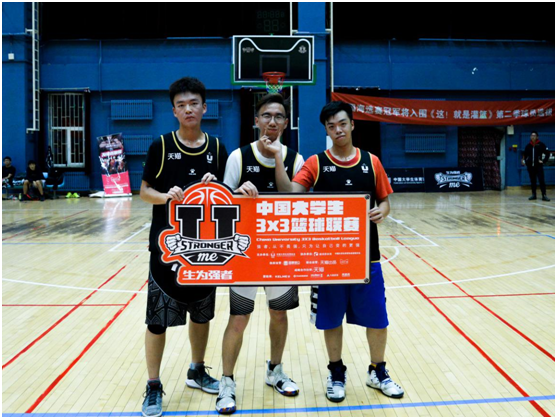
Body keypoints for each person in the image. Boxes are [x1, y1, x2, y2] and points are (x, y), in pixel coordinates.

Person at [264, 101, 404, 403]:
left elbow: (385, 201)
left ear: (352, 124)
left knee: (377, 319)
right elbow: (289, 195)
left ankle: (377, 371)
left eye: (342, 123)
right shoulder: (316, 163)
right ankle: (336, 372)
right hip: (329, 261)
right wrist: (277, 157)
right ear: (326, 131)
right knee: (332, 320)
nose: (337, 130)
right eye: (331, 126)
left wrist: (382, 211)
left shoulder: (372, 162)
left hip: (367, 259)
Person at [140, 77, 229, 417]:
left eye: (194, 103)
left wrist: (218, 185)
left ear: (204, 108)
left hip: (206, 250)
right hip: (167, 252)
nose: (188, 109)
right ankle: (153, 385)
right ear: (174, 111)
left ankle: (196, 369)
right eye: (181, 105)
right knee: (157, 322)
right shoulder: (161, 146)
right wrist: (165, 196)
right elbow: (144, 191)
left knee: (202, 315)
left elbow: (230, 195)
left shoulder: (218, 149)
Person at [216, 93, 305, 414]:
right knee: (239, 318)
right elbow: (222, 201)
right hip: (244, 254)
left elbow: (293, 200)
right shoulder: (239, 157)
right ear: (256, 121)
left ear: (286, 123)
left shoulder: (295, 159)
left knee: (279, 314)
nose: (272, 121)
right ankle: (227, 382)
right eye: (266, 115)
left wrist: (278, 158)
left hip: (281, 253)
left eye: (278, 116)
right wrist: (237, 193)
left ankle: (275, 370)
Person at [522, 131, 550, 201]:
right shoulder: (528, 146)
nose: (533, 137)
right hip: (531, 167)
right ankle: (534, 194)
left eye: (534, 136)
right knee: (533, 181)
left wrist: (543, 161)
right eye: (532, 135)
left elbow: (547, 153)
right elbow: (525, 155)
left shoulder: (541, 145)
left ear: (537, 137)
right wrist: (525, 162)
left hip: (539, 166)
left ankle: (544, 195)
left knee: (541, 180)